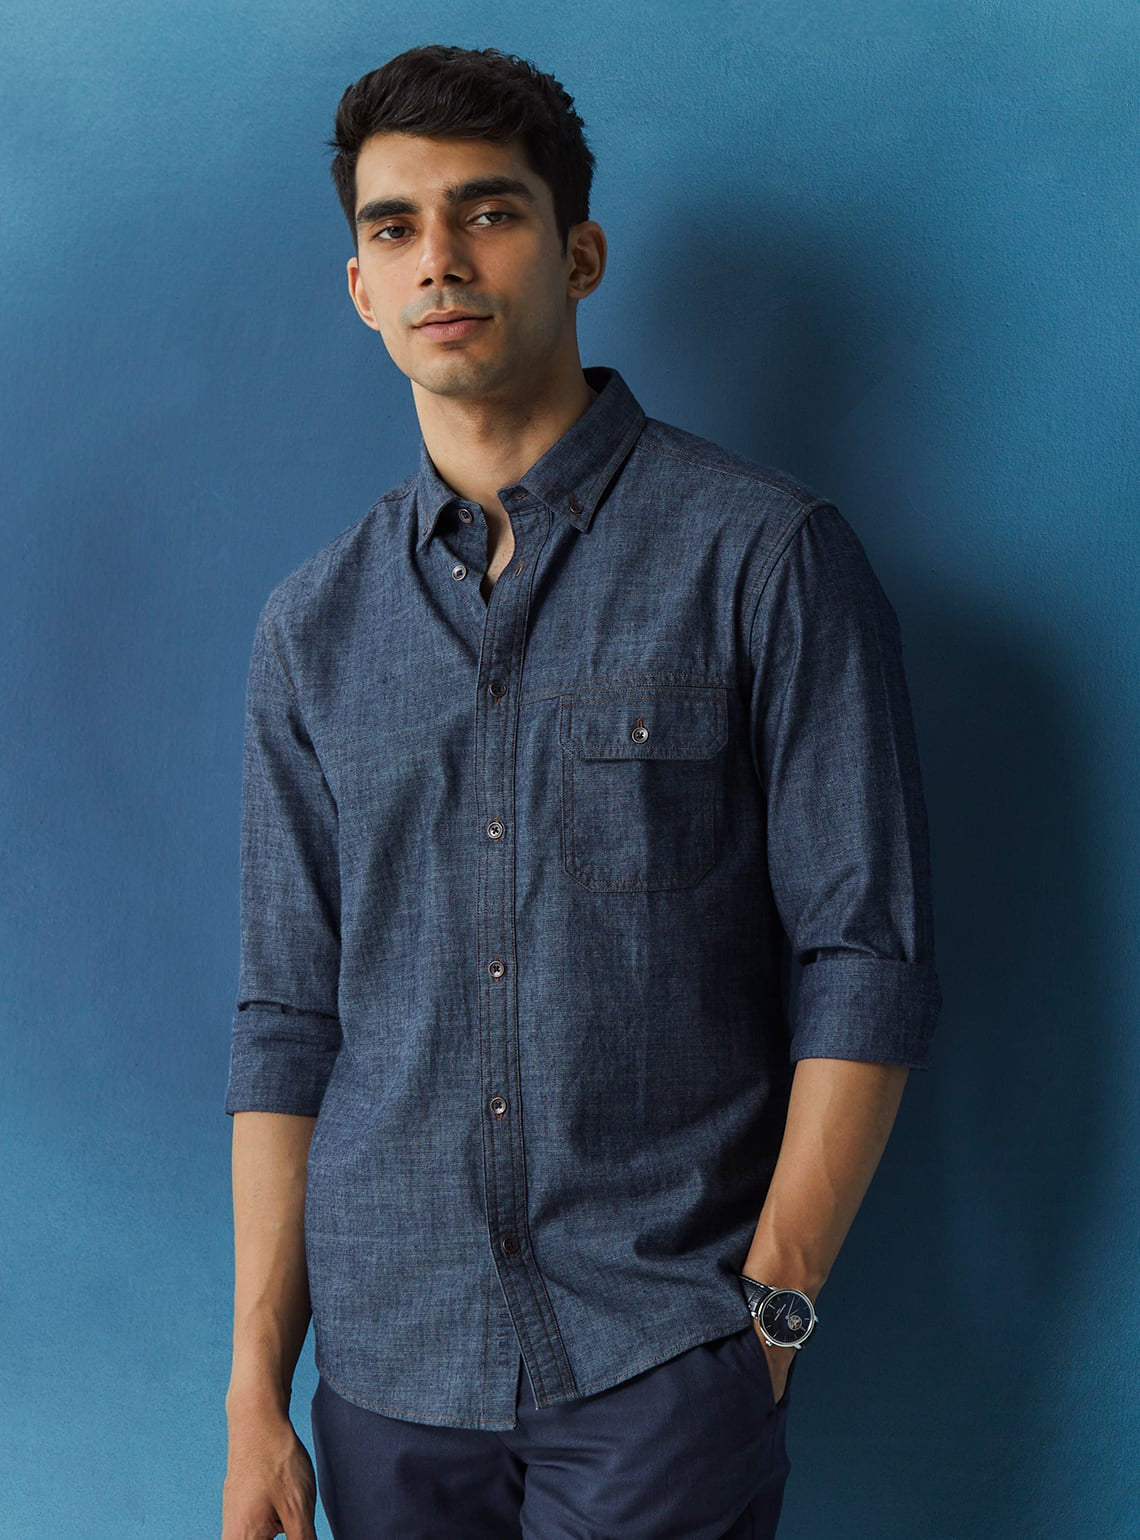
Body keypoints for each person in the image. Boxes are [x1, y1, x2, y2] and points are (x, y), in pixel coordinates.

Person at [220, 43, 942, 1540]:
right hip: (388, 1380)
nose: (440, 259)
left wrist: (774, 1317)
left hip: (662, 1361)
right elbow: (288, 1023)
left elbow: (865, 958)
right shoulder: (312, 628)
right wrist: (254, 1398)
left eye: (488, 212)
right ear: (361, 287)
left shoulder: (765, 559)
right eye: (396, 228)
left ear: (579, 253)